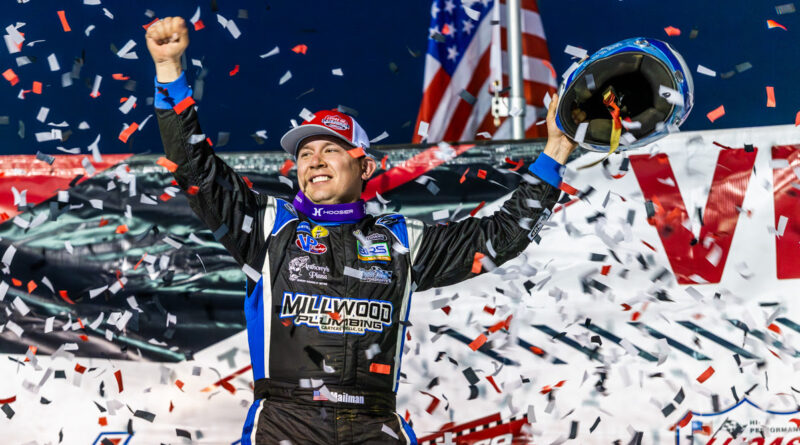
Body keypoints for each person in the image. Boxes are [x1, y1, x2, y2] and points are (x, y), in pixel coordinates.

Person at [146, 16, 577, 445]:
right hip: (286, 422)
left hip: (375, 423)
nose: (314, 161)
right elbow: (194, 167)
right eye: (305, 153)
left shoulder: (402, 241)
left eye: (330, 149)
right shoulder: (267, 226)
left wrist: (555, 153)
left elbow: (502, 236)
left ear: (365, 166)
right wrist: (169, 72)